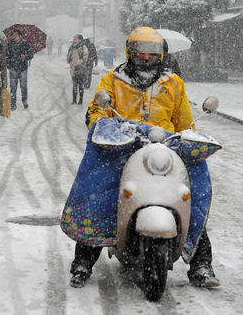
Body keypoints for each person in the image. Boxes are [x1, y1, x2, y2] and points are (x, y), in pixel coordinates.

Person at [67, 27, 220, 289]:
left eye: (153, 53)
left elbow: (184, 122)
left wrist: (186, 137)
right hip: (123, 148)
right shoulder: (113, 81)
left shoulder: (173, 83)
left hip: (164, 151)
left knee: (191, 193)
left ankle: (201, 263)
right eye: (141, 52)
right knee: (100, 191)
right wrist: (112, 129)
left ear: (161, 55)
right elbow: (96, 113)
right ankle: (83, 261)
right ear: (130, 51)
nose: (147, 58)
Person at [6, 29, 33, 110]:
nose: (13, 36)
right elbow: (6, 56)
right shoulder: (9, 45)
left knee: (23, 86)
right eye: (12, 35)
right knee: (13, 87)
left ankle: (24, 101)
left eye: (15, 34)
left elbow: (31, 55)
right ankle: (13, 104)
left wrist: (25, 56)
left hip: (23, 69)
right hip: (13, 69)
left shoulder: (25, 44)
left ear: (20, 35)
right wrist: (9, 64)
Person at [67, 34, 89, 104]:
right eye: (74, 39)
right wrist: (70, 62)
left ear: (80, 39)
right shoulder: (72, 47)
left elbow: (85, 56)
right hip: (73, 68)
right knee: (74, 85)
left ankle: (80, 100)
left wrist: (80, 62)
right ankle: (74, 100)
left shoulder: (83, 46)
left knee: (80, 85)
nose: (74, 40)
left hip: (80, 68)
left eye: (75, 39)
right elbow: (69, 56)